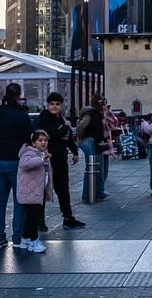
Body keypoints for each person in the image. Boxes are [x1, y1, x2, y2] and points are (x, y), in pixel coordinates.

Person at [0, 82, 31, 249]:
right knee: (19, 201)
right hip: (16, 160)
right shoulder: (22, 114)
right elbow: (29, 137)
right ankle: (18, 237)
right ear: (18, 96)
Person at [36, 92, 85, 229]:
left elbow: (67, 138)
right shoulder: (44, 118)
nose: (54, 107)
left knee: (63, 190)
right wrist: (66, 127)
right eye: (52, 104)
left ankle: (68, 218)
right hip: (46, 161)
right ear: (48, 105)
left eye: (57, 104)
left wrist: (75, 151)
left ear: (61, 105)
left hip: (61, 160)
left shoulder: (62, 119)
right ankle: (40, 221)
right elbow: (52, 135)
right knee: (43, 190)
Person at [16, 130, 51, 253]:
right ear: (33, 142)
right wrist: (42, 160)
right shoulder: (29, 153)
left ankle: (25, 239)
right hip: (30, 191)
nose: (43, 143)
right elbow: (25, 164)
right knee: (33, 217)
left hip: (36, 190)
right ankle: (33, 241)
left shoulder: (42, 153)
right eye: (40, 140)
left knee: (31, 216)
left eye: (45, 140)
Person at [76, 96, 110, 204]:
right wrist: (82, 138)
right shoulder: (91, 114)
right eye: (103, 104)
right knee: (93, 167)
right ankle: (90, 194)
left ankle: (96, 192)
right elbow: (80, 127)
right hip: (92, 141)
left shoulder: (95, 114)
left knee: (95, 167)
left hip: (94, 141)